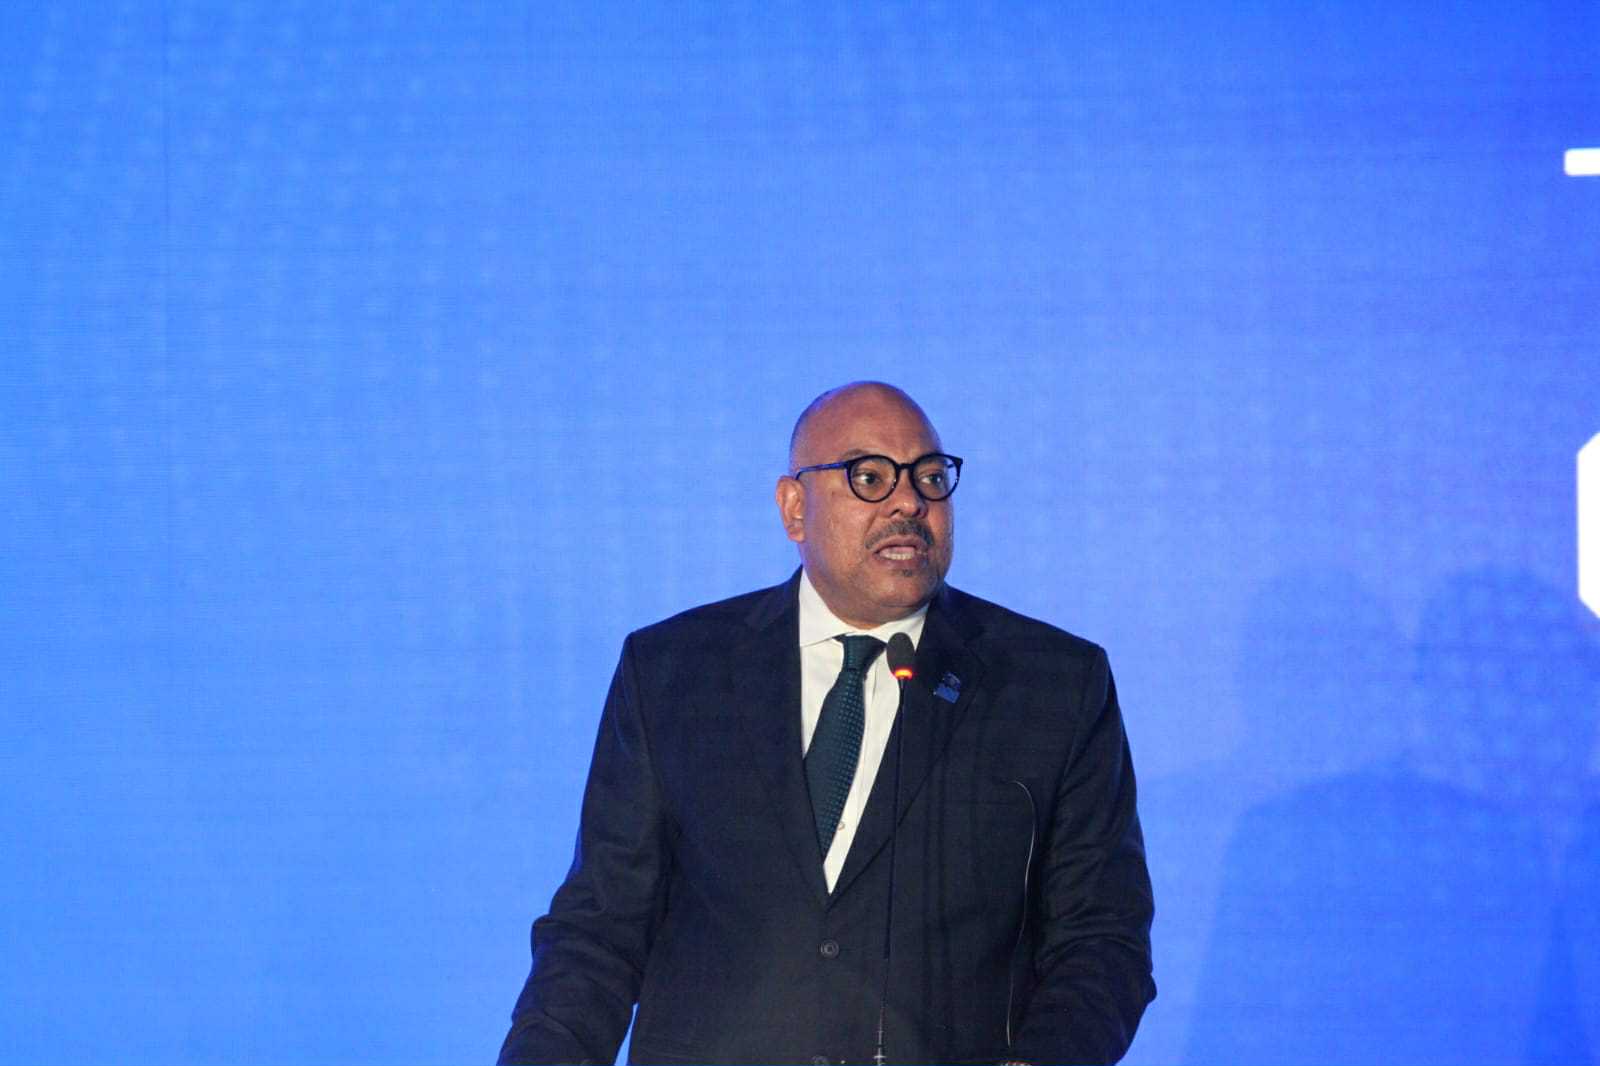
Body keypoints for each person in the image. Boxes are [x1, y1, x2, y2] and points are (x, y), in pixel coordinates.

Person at [499, 382, 1154, 1066]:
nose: (909, 502)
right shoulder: (674, 671)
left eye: (931, 478)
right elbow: (599, 930)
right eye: (870, 478)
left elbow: (1102, 939)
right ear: (794, 508)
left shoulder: (1051, 684)